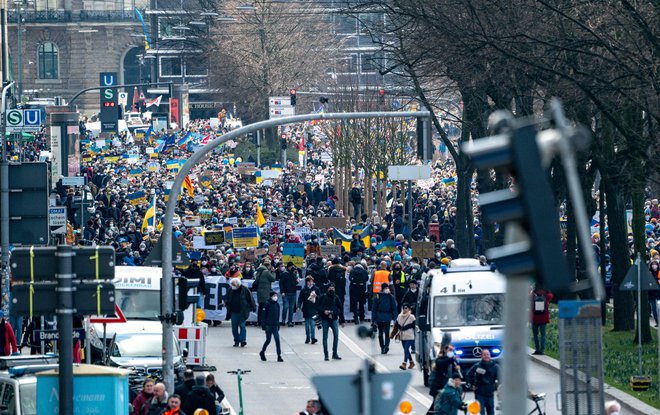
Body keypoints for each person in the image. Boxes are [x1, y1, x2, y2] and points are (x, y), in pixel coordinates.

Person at [465, 349, 499, 415]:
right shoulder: (476, 366)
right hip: (479, 394)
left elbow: (501, 378)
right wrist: (471, 386)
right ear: (481, 356)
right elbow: (467, 375)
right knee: (481, 412)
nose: (486, 356)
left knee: (491, 412)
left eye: (487, 354)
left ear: (490, 355)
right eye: (484, 354)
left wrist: (500, 388)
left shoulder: (495, 367)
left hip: (490, 394)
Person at [317, 282, 344, 360]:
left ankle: (334, 353)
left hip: (334, 319)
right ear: (327, 289)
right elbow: (317, 307)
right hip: (325, 319)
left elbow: (340, 308)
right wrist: (323, 311)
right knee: (325, 337)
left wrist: (342, 320)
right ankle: (326, 355)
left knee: (336, 336)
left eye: (333, 288)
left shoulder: (336, 297)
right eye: (330, 288)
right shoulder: (323, 297)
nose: (331, 290)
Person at [225, 278, 256, 347]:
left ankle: (242, 340)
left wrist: (253, 307)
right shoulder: (230, 290)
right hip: (233, 312)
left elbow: (250, 298)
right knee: (234, 328)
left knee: (242, 326)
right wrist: (225, 303)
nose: (232, 286)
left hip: (243, 311)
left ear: (238, 285)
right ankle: (236, 341)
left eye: (233, 285)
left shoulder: (245, 289)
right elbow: (227, 298)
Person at [372, 283, 397, 354]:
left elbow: (394, 308)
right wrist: (373, 320)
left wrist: (394, 318)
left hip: (387, 317)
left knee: (386, 332)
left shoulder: (390, 297)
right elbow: (374, 308)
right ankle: (382, 347)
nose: (387, 289)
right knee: (380, 333)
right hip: (379, 317)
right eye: (386, 288)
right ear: (382, 289)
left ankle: (386, 346)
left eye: (387, 288)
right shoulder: (377, 296)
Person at [260, 291, 284, 362]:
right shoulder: (267, 304)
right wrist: (263, 325)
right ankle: (262, 352)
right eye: (274, 295)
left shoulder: (277, 305)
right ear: (271, 296)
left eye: (276, 295)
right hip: (268, 325)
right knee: (268, 340)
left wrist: (278, 324)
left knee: (277, 340)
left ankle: (279, 355)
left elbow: (278, 315)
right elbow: (263, 315)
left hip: (275, 325)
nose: (275, 297)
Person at [530, 285, 553, 355]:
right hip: (543, 318)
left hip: (535, 318)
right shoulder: (546, 296)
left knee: (535, 334)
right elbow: (551, 295)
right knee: (543, 335)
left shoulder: (533, 296)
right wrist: (547, 290)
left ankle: (537, 349)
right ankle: (542, 350)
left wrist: (532, 291)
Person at [253, 259, 275, 327]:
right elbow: (273, 279)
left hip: (260, 292)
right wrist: (273, 272)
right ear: (268, 266)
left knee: (260, 307)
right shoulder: (266, 272)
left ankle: (259, 321)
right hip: (265, 292)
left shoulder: (259, 271)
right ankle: (264, 322)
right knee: (265, 308)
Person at [298, 276, 320, 344]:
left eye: (311, 281)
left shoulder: (316, 289)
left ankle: (313, 338)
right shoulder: (304, 290)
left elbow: (320, 298)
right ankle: (307, 337)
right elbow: (300, 299)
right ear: (306, 282)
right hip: (306, 308)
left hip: (314, 308)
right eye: (309, 281)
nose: (310, 283)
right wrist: (298, 306)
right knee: (307, 325)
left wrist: (316, 296)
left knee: (313, 324)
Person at [394, 304, 416, 370]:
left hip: (410, 336)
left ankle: (404, 363)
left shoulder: (412, 317)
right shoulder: (399, 316)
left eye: (406, 308)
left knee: (406, 349)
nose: (404, 309)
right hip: (402, 336)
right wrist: (393, 334)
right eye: (403, 308)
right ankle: (411, 362)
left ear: (409, 309)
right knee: (406, 350)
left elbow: (414, 326)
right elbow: (396, 325)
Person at [280, 262, 299, 327]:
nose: (292, 268)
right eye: (291, 266)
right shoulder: (284, 274)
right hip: (286, 293)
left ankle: (290, 321)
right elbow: (281, 283)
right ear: (288, 267)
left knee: (291, 308)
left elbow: (295, 283)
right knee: (285, 307)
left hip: (293, 293)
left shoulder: (294, 274)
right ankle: (283, 320)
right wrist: (282, 291)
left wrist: (297, 280)